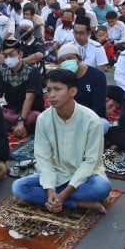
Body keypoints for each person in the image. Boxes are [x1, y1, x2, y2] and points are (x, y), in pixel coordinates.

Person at [12, 69, 111, 214]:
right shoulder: (44, 119)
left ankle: (58, 198)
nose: (51, 95)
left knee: (102, 187)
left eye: (57, 89)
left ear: (73, 91)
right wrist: (49, 189)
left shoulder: (91, 120)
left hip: (84, 178)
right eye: (49, 90)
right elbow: (43, 158)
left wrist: (64, 194)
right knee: (18, 187)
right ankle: (78, 203)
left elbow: (91, 162)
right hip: (56, 174)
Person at [0, 39, 44, 137]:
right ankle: (15, 128)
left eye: (11, 55)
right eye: (5, 56)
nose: (8, 59)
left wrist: (21, 121)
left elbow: (30, 98)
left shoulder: (32, 71)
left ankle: (16, 126)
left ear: (20, 54)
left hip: (30, 112)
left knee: (36, 118)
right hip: (12, 111)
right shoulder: (3, 72)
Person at [56, 44, 108, 132]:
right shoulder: (61, 78)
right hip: (68, 118)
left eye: (69, 58)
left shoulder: (97, 75)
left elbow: (99, 107)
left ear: (79, 58)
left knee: (102, 125)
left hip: (92, 118)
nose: (66, 62)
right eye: (62, 60)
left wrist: (79, 121)